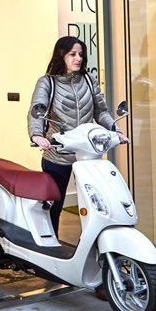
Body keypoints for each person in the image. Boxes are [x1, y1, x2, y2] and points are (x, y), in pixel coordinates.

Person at [28, 36, 127, 237]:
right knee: (54, 206)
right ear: (61, 56)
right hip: (58, 154)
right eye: (72, 54)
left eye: (81, 54)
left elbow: (101, 111)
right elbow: (36, 110)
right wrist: (37, 135)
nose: (78, 58)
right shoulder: (47, 82)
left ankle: (97, 247)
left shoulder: (89, 80)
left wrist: (115, 130)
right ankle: (51, 245)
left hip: (88, 155)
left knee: (97, 205)